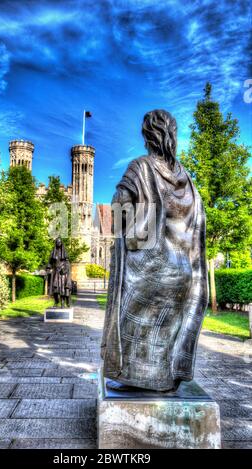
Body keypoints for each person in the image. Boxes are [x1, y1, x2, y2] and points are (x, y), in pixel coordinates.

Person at [101, 110, 208, 392]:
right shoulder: (188, 180)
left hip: (151, 269)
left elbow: (121, 210)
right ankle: (166, 378)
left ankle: (137, 379)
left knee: (135, 329)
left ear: (148, 136)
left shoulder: (141, 167)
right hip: (183, 271)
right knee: (167, 331)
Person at [47, 237, 71, 308]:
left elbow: (67, 262)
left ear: (61, 243)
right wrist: (48, 268)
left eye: (59, 242)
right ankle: (56, 301)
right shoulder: (53, 252)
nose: (58, 244)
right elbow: (50, 262)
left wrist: (65, 268)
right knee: (55, 289)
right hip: (55, 272)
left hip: (62, 273)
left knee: (62, 289)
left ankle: (63, 303)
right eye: (57, 242)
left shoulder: (64, 252)